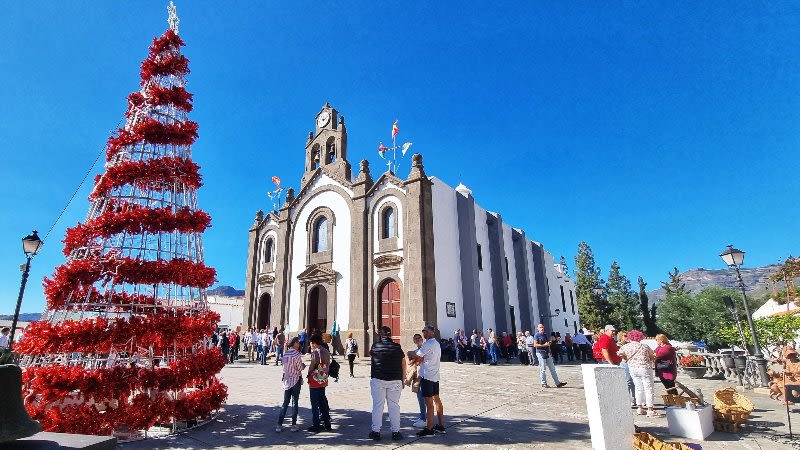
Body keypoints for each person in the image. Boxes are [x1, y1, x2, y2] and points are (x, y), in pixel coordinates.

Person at [368, 326, 406, 441]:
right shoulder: (397, 347)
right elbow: (403, 363)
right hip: (395, 380)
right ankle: (396, 432)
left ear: (380, 335)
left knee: (377, 406)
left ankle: (376, 432)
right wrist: (403, 379)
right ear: (390, 335)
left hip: (378, 379)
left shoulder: (375, 346)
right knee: (394, 406)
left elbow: (372, 355)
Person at [618, 330, 660, 418]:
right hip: (644, 368)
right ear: (640, 337)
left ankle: (639, 407)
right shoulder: (644, 346)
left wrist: (627, 358)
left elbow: (620, 354)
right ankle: (650, 409)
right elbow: (652, 357)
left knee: (638, 387)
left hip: (633, 368)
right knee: (648, 388)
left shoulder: (626, 346)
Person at [414, 325, 445, 437]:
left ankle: (429, 428)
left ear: (432, 332)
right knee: (436, 399)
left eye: (425, 331)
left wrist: (410, 354)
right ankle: (441, 426)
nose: (423, 333)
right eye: (423, 331)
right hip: (435, 376)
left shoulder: (427, 344)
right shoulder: (436, 343)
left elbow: (416, 357)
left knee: (429, 403)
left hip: (427, 376)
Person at [277, 337, 305, 432]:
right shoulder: (296, 354)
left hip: (286, 379)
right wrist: (303, 365)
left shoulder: (286, 353)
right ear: (295, 343)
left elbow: (283, 367)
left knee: (285, 403)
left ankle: (279, 424)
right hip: (295, 379)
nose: (299, 344)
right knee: (294, 402)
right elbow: (300, 368)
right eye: (298, 343)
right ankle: (293, 425)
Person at [307, 333, 332, 433]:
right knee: (322, 402)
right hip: (323, 379)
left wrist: (309, 375)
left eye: (312, 343)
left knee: (314, 403)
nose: (311, 345)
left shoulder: (316, 353)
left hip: (315, 380)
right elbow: (328, 365)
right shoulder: (326, 351)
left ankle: (316, 424)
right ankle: (327, 423)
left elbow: (312, 366)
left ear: (316, 343)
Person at [533, 323, 566, 388]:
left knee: (552, 368)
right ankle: (543, 383)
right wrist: (544, 345)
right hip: (540, 353)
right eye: (540, 327)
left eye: (542, 327)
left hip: (547, 353)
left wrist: (549, 349)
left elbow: (547, 344)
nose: (542, 328)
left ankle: (557, 383)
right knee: (543, 368)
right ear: (538, 328)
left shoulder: (545, 335)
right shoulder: (536, 335)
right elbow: (535, 345)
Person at [405, 333, 427, 428]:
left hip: (424, 375)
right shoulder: (415, 350)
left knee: (422, 397)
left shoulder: (425, 349)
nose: (417, 340)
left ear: (422, 339)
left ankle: (424, 419)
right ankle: (422, 416)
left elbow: (421, 359)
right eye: (415, 339)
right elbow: (411, 361)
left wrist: (414, 357)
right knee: (419, 397)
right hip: (417, 376)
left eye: (419, 338)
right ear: (413, 341)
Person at [616, 331, 637, 406]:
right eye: (625, 336)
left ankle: (634, 398)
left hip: (630, 363)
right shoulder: (618, 345)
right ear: (620, 336)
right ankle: (627, 399)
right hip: (624, 363)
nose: (626, 337)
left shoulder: (629, 344)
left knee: (633, 381)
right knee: (628, 381)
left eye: (627, 335)